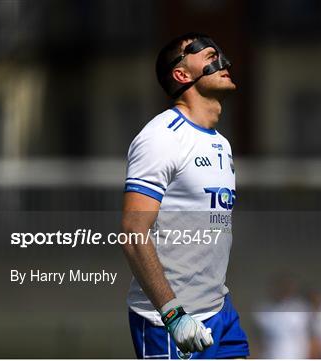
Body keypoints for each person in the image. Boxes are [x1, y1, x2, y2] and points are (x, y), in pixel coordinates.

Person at [121, 32, 249, 359]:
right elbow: (133, 233)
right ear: (182, 74)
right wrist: (173, 314)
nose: (222, 60)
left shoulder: (221, 143)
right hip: (170, 322)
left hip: (220, 311)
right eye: (207, 56)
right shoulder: (161, 138)